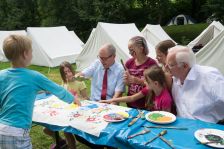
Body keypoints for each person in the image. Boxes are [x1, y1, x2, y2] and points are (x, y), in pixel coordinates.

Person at [0, 34, 81, 149]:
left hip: (2, 129)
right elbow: (57, 90)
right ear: (25, 54)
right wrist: (73, 99)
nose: (32, 54)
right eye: (31, 51)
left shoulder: (1, 75)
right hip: (18, 133)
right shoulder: (34, 76)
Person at [75, 43, 125, 149]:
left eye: (105, 58)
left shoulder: (120, 70)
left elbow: (118, 94)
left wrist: (109, 110)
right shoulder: (97, 63)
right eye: (100, 57)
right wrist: (78, 76)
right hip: (94, 104)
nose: (102, 61)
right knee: (79, 133)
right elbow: (85, 73)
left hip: (111, 105)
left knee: (110, 138)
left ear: (113, 56)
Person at [166, 45, 224, 123]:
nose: (166, 67)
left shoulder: (209, 77)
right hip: (181, 126)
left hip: (206, 129)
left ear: (185, 66)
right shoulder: (176, 78)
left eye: (171, 65)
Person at [44, 61, 88, 149]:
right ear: (62, 75)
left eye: (69, 71)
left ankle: (71, 146)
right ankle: (61, 142)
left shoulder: (80, 83)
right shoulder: (64, 83)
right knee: (46, 129)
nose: (68, 74)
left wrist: (79, 102)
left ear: (72, 70)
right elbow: (61, 94)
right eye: (65, 73)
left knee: (67, 131)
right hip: (65, 110)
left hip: (77, 112)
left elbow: (86, 98)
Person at [100, 65, 173, 112]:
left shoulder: (165, 99)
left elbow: (165, 119)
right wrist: (110, 100)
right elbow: (131, 98)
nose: (144, 82)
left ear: (156, 83)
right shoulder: (149, 89)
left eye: (147, 81)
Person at [123, 36, 157, 109]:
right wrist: (126, 81)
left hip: (146, 103)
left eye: (132, 50)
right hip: (131, 103)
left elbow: (155, 85)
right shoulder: (129, 63)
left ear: (141, 49)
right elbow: (127, 84)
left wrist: (138, 81)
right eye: (129, 50)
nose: (130, 53)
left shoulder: (151, 63)